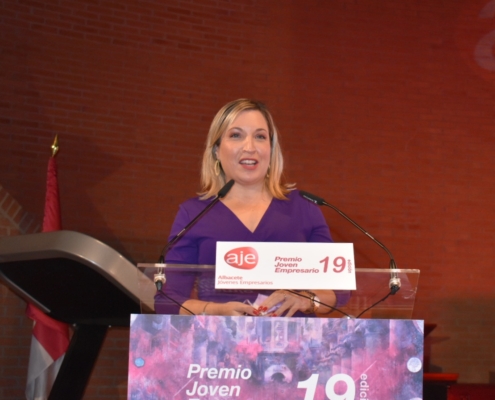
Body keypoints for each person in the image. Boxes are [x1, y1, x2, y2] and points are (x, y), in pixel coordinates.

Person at [155, 99, 349, 317]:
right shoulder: (193, 214)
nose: (250, 147)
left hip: (296, 346)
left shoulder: (304, 208)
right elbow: (167, 300)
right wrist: (215, 311)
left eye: (260, 136)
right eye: (236, 135)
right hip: (221, 344)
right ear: (216, 151)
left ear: (271, 149)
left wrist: (307, 298)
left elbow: (338, 290)